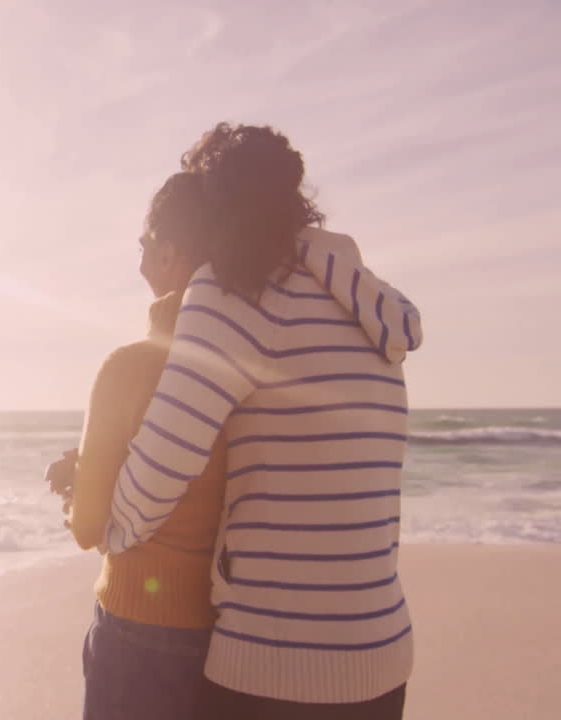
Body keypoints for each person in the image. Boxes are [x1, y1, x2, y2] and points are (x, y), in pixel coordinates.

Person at [100, 123, 423, 719]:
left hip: (277, 665)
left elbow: (158, 474)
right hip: (383, 653)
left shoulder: (235, 293)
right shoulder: (366, 302)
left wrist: (107, 530)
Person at [45, 171, 228, 720]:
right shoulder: (239, 366)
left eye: (145, 245)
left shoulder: (128, 368)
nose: (141, 258)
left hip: (135, 627)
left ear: (169, 253)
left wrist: (78, 488)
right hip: (219, 628)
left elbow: (88, 529)